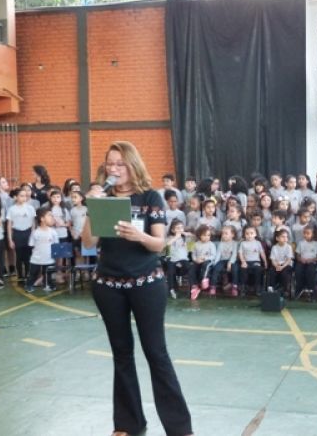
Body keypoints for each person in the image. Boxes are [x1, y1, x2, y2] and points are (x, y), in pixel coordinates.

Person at [81, 141, 192, 436]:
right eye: (110, 163)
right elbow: (88, 242)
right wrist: (92, 208)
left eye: (120, 163)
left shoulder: (150, 197)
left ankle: (180, 428)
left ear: (133, 165)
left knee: (156, 353)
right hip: (108, 286)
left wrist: (138, 235)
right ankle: (128, 423)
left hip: (146, 284)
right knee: (121, 354)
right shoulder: (103, 197)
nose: (114, 169)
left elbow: (158, 244)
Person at [27, 208, 59, 293]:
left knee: (48, 274)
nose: (52, 217)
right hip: (36, 259)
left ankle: (49, 285)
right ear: (42, 219)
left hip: (49, 259)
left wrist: (55, 257)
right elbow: (31, 245)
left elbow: (56, 245)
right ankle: (29, 285)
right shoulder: (35, 232)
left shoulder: (53, 232)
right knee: (33, 274)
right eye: (49, 215)